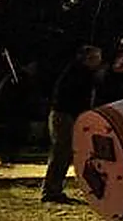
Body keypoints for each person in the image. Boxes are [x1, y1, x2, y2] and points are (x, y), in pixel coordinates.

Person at [42, 45, 101, 203]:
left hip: (66, 114)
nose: (99, 62)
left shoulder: (79, 73)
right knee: (62, 152)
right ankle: (51, 190)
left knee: (64, 153)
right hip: (65, 115)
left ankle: (54, 189)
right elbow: (75, 98)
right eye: (96, 58)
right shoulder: (80, 74)